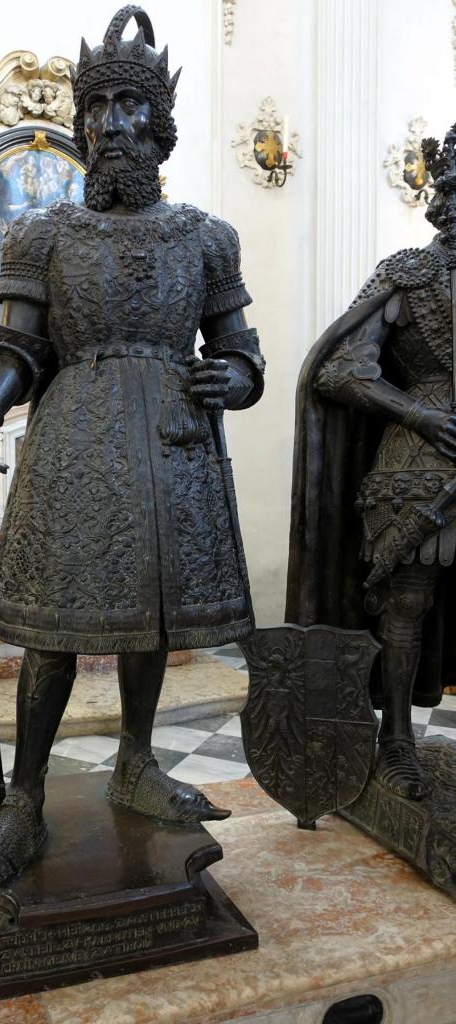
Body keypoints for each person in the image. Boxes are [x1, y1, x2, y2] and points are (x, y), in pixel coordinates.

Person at [0, 4, 265, 895]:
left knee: (153, 611)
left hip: (174, 444)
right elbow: (16, 356)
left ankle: (137, 761)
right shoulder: (44, 235)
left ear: (160, 125)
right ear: (81, 122)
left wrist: (235, 377)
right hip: (76, 439)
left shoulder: (205, 236)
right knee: (58, 628)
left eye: (128, 105)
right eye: (98, 105)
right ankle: (23, 799)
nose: (111, 121)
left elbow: (237, 350)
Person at [287, 124, 456, 802]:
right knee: (404, 604)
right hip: (416, 459)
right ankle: (395, 742)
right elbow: (339, 369)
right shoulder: (406, 273)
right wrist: (416, 412)